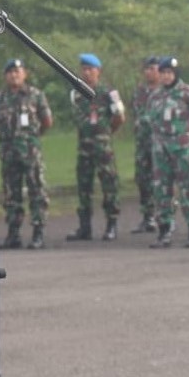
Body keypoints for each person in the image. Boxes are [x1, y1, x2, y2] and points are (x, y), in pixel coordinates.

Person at [0, 58, 52, 249]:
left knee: (37, 193)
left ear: (24, 74)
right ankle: (13, 234)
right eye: (10, 72)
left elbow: (47, 121)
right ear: (5, 76)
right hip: (9, 153)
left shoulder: (35, 95)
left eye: (18, 71)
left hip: (31, 152)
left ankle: (38, 233)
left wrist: (32, 138)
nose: (14, 75)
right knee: (11, 195)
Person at [149, 56, 189, 248]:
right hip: (161, 149)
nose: (166, 77)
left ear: (176, 74)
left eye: (169, 73)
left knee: (188, 189)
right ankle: (165, 232)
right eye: (163, 73)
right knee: (162, 190)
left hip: (184, 149)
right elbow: (151, 120)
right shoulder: (155, 96)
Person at [68, 53, 124, 241]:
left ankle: (111, 225)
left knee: (109, 185)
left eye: (90, 69)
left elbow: (119, 118)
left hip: (103, 148)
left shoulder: (108, 92)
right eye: (84, 69)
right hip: (84, 147)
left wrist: (105, 134)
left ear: (98, 71)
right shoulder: (76, 92)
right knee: (84, 187)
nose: (87, 73)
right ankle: (85, 227)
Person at [130, 55, 161, 234]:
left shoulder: (165, 91)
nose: (150, 72)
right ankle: (147, 217)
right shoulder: (139, 92)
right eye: (147, 69)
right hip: (143, 143)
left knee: (163, 181)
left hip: (161, 143)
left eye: (154, 69)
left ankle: (166, 217)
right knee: (143, 179)